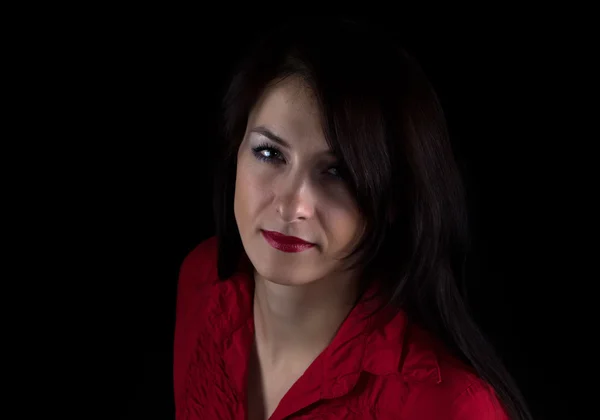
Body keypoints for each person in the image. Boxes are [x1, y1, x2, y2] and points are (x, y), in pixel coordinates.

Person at [174, 16, 532, 420]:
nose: (292, 206)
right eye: (270, 154)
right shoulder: (201, 282)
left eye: (337, 173)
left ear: (394, 199)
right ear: (235, 150)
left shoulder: (451, 408)